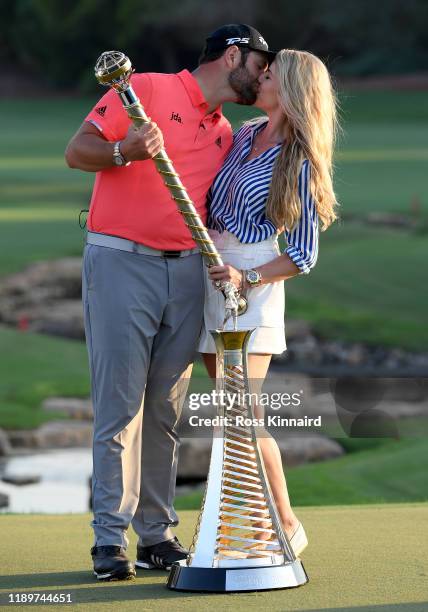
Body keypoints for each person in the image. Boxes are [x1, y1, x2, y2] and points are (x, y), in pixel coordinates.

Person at [65, 24, 276, 581]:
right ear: (233, 55)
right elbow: (76, 150)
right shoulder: (147, 89)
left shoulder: (226, 131)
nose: (263, 75)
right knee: (120, 406)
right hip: (120, 262)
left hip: (187, 274)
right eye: (260, 63)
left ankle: (156, 535)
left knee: (165, 408)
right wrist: (121, 150)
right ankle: (109, 541)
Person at [199, 49, 339, 557]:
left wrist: (247, 276)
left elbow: (303, 253)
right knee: (229, 415)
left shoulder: (300, 158)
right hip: (213, 276)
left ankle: (283, 523)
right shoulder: (241, 134)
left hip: (252, 286)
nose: (260, 76)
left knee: (242, 414)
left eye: (270, 71)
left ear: (292, 87)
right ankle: (258, 527)